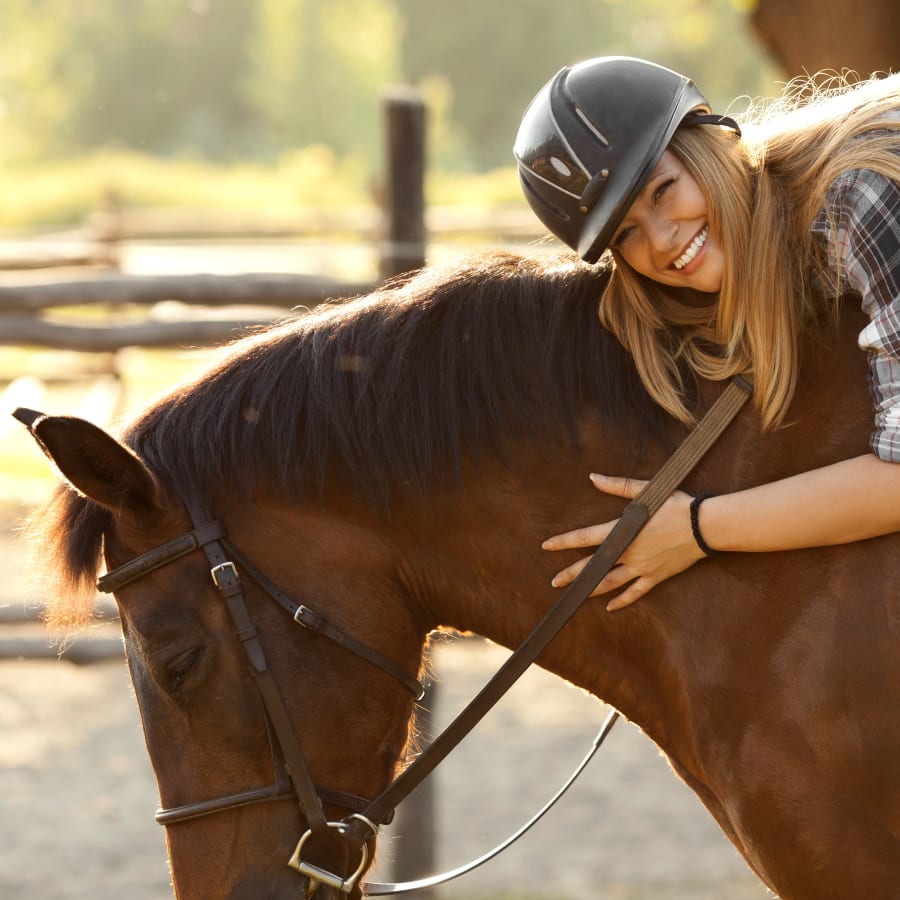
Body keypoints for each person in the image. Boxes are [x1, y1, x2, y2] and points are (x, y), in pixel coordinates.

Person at [513, 56, 900, 610]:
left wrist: (697, 528)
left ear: (708, 144)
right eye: (627, 234)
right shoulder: (772, 244)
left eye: (661, 190)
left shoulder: (858, 193)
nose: (663, 240)